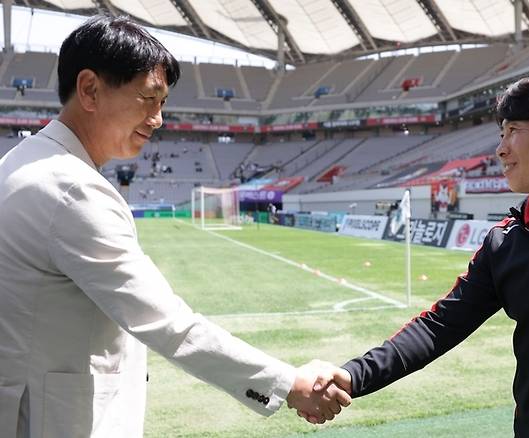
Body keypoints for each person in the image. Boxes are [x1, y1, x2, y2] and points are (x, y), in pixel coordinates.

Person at [0, 16, 348, 437]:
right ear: (89, 89)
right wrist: (288, 384)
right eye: (148, 99)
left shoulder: (22, 162)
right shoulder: (72, 189)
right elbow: (168, 324)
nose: (158, 119)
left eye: (162, 103)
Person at [311, 71, 529, 436]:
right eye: (500, 133)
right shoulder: (506, 242)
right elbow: (439, 326)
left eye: (514, 131)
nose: (501, 148)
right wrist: (351, 376)